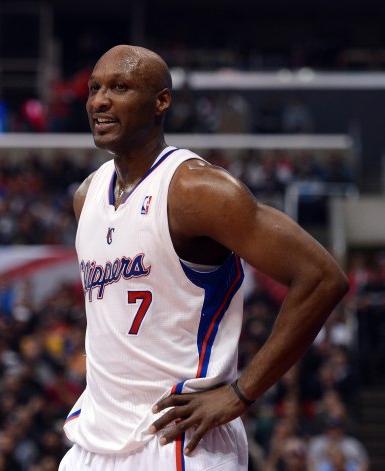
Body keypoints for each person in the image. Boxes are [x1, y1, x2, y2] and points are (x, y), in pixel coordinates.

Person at [58, 45, 348, 470]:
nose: (100, 100)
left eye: (119, 88)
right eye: (94, 88)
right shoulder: (87, 197)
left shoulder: (197, 190)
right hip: (94, 438)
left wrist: (241, 393)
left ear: (161, 101)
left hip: (179, 437)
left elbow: (322, 277)